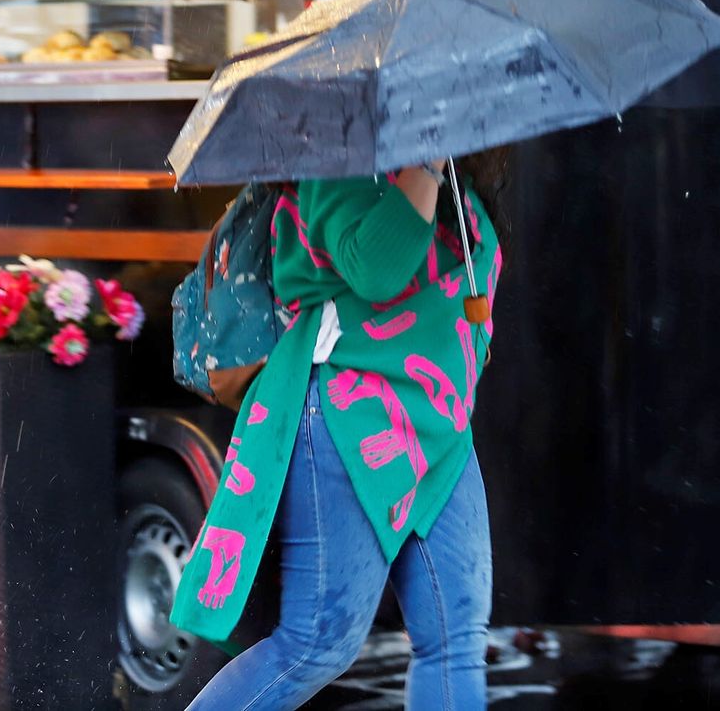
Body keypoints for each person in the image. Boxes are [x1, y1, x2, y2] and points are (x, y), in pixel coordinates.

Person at [171, 158, 505, 710]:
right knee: (319, 643)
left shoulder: (444, 168)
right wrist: (424, 163)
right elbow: (376, 269)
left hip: (439, 434)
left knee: (455, 638)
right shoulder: (333, 163)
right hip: (350, 417)